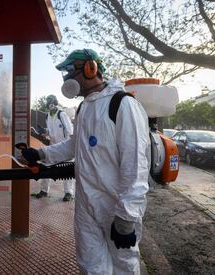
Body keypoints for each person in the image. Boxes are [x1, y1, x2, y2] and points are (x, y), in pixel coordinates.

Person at [20, 49, 150, 274]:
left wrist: (127, 215)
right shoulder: (84, 107)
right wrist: (41, 154)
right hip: (86, 203)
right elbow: (73, 145)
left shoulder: (122, 104)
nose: (67, 79)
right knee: (90, 264)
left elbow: (136, 164)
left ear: (92, 69)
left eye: (71, 71)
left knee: (124, 265)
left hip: (115, 207)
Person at [36, 94, 75, 202]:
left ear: (55, 102)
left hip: (65, 147)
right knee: (45, 165)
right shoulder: (48, 116)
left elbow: (70, 130)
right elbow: (50, 131)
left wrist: (70, 146)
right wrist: (44, 131)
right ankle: (44, 190)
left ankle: (69, 192)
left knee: (67, 169)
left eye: (50, 101)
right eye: (48, 101)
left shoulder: (61, 114)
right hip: (53, 146)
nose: (49, 104)